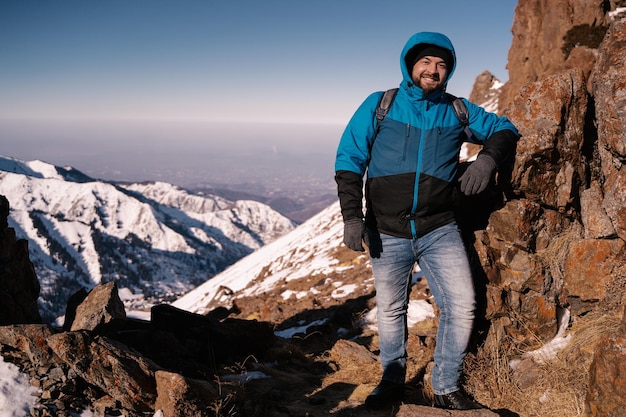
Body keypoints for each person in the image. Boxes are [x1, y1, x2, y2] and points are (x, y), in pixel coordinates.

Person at [334, 31, 519, 410]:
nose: (433, 70)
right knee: (390, 309)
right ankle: (390, 381)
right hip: (386, 228)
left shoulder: (457, 110)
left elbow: (505, 128)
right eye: (426, 62)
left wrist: (486, 159)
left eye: (441, 64)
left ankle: (446, 384)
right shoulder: (381, 104)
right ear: (410, 64)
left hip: (439, 227)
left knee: (463, 304)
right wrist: (351, 217)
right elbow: (349, 158)